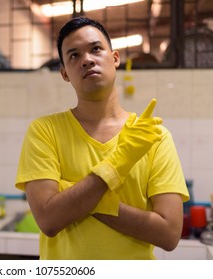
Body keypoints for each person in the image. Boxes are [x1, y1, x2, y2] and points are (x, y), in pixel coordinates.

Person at [15, 16, 189, 260]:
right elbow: (49, 220)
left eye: (95, 49)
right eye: (74, 55)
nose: (86, 59)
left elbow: (169, 234)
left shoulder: (154, 136)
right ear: (64, 74)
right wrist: (119, 162)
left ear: (115, 58)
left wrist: (76, 197)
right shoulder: (45, 131)